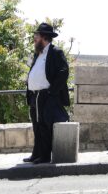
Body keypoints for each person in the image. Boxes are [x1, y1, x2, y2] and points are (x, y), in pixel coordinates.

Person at [23, 23, 70, 164]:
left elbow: (64, 72)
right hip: (34, 96)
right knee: (36, 125)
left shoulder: (55, 52)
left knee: (45, 125)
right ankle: (36, 153)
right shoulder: (38, 53)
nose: (34, 38)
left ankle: (44, 156)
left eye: (36, 36)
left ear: (44, 37)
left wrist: (51, 91)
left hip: (46, 96)